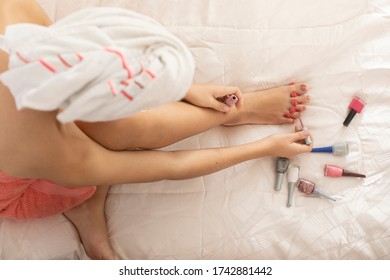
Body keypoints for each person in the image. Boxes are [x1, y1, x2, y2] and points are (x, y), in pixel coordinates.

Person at [0, 0, 313, 260]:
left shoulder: (12, 19)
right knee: (123, 130)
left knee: (124, 126)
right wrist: (264, 148)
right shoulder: (51, 154)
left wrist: (189, 90)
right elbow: (170, 166)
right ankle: (86, 203)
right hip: (24, 188)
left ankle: (228, 113)